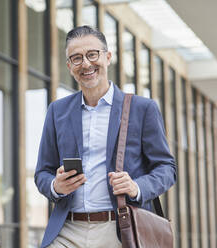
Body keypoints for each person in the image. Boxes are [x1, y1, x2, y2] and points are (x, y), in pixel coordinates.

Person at [35, 25, 176, 248]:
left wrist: (136, 187)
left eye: (92, 54)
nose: (86, 64)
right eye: (77, 58)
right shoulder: (57, 111)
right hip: (67, 230)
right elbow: (42, 171)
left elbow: (166, 168)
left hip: (119, 230)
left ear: (108, 57)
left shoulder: (143, 108)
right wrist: (55, 186)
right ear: (69, 66)